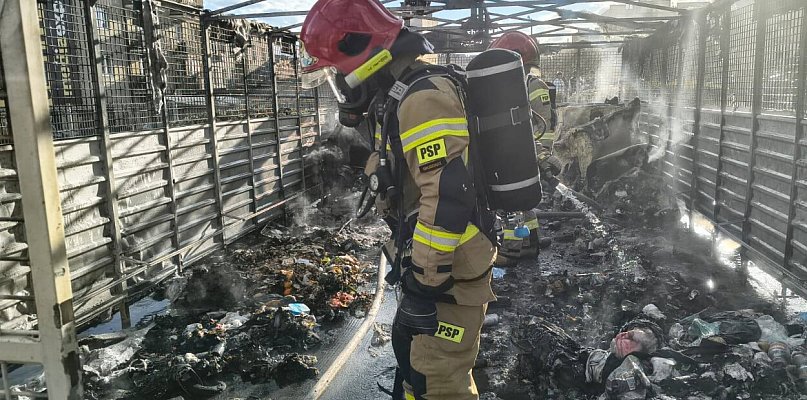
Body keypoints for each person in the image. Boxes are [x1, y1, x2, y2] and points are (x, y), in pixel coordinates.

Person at [300, 1, 497, 399]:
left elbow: (447, 194)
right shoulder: (402, 94)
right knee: (415, 367)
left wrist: (425, 283)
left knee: (437, 381)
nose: (340, 84)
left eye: (337, 71)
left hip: (448, 274)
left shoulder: (422, 99)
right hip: (437, 267)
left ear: (363, 52)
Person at [487, 32, 562, 265]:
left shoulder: (532, 85)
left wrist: (540, 153)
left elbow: (544, 124)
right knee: (524, 201)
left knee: (511, 201)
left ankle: (510, 252)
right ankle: (530, 244)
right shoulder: (516, 85)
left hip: (528, 153)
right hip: (522, 152)